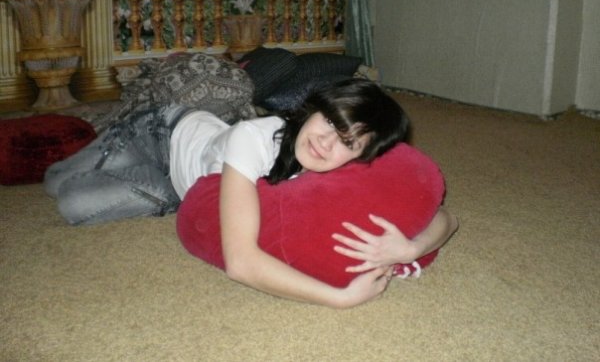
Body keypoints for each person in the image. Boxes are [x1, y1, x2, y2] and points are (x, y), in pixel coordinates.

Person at [45, 78, 458, 308]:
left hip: (192, 182)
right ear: (315, 108)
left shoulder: (342, 173)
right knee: (56, 184)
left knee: (76, 204)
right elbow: (241, 262)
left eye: (347, 142)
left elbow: (445, 217)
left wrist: (411, 248)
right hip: (162, 134)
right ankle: (106, 130)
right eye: (331, 121)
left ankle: (167, 192)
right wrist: (339, 298)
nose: (325, 143)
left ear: (362, 156)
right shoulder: (254, 139)